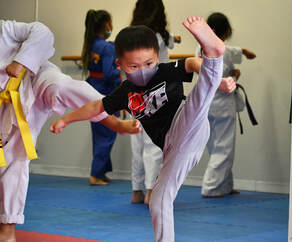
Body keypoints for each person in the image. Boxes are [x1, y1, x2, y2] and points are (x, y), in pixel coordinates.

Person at [50, 16, 235, 242]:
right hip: (172, 148)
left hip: (183, 121)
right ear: (119, 65)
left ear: (157, 58)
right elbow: (96, 107)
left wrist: (214, 75)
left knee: (199, 100)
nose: (143, 70)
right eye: (134, 66)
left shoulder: (164, 71)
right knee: (158, 199)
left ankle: (213, 54)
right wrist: (67, 119)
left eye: (148, 63)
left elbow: (190, 63)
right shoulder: (125, 92)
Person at [0, 20, 141, 242]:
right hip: (5, 102)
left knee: (62, 87)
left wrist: (19, 62)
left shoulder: (4, 28)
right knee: (11, 160)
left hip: (34, 77)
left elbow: (43, 31)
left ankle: (114, 122)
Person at [129, 0, 181, 205]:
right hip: (156, 91)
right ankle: (151, 190)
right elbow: (167, 44)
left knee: (137, 142)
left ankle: (136, 191)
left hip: (135, 91)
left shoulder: (131, 37)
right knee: (153, 143)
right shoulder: (159, 36)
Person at [199, 12, 256, 198]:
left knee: (216, 147)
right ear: (227, 31)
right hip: (221, 104)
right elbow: (219, 80)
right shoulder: (219, 51)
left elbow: (230, 50)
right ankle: (211, 187)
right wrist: (235, 76)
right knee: (224, 148)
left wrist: (244, 52)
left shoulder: (201, 48)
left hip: (206, 105)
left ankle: (225, 185)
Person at [82, 10, 121, 186]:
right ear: (106, 24)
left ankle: (101, 172)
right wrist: (124, 69)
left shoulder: (92, 45)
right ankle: (95, 175)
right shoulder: (107, 47)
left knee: (101, 133)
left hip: (92, 90)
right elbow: (109, 74)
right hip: (104, 91)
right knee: (107, 133)